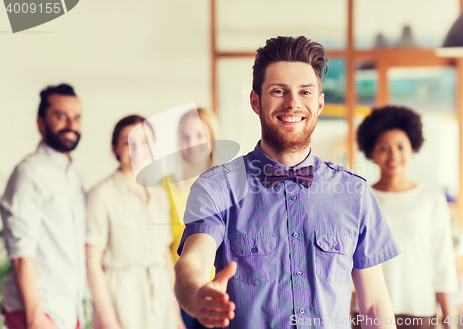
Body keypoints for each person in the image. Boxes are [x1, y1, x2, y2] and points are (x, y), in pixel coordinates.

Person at [174, 36, 401, 329]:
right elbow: (191, 263)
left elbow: (374, 305)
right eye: (279, 91)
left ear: (319, 103)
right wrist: (197, 296)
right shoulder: (217, 187)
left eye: (305, 92)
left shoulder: (355, 193)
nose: (293, 103)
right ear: (256, 101)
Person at [356, 106, 458, 329]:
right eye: (384, 147)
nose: (393, 155)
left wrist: (450, 319)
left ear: (413, 149)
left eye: (401, 147)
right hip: (367, 313)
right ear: (371, 152)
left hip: (419, 312)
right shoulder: (361, 198)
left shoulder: (431, 199)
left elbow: (443, 264)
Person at [85, 115, 185, 329]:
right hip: (123, 300)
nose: (138, 149)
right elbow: (92, 264)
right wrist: (109, 321)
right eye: (128, 142)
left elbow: (164, 256)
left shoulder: (159, 194)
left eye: (145, 142)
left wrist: (176, 316)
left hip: (161, 301)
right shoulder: (102, 194)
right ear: (115, 148)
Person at [0, 84, 85, 329]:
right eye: (61, 116)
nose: (71, 124)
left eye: (76, 117)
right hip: (38, 312)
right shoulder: (29, 174)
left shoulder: (73, 176)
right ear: (40, 123)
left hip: (68, 311)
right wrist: (36, 317)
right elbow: (20, 253)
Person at [165, 109, 219, 329]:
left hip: (219, 290)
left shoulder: (225, 185)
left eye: (200, 135)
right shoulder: (164, 186)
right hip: (177, 291)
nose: (192, 143)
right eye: (185, 137)